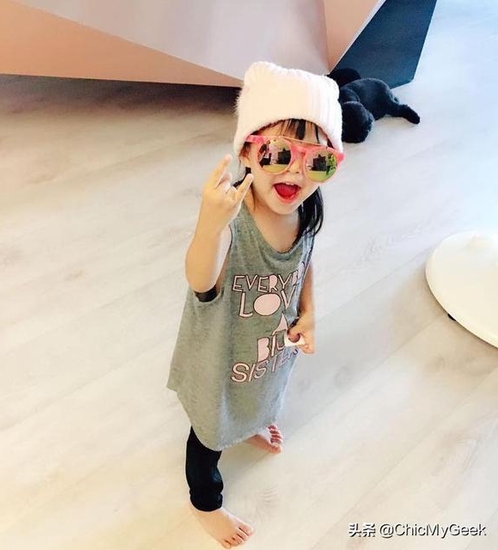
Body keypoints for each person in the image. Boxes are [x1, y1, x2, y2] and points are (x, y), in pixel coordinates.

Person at [166, 60, 345, 548]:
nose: (296, 172)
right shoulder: (234, 221)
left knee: (262, 398)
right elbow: (200, 282)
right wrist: (208, 227)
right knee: (208, 434)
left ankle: (248, 423)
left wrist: (309, 311)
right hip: (219, 358)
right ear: (246, 149)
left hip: (266, 351)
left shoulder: (307, 209)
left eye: (318, 162)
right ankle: (205, 503)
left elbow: (305, 258)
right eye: (278, 153)